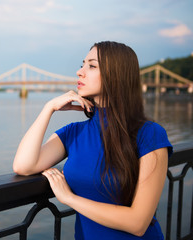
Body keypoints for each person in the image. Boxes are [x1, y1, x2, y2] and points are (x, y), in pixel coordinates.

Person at [13, 41, 172, 239]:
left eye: (92, 65)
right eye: (82, 64)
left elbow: (138, 223)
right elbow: (23, 166)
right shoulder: (74, 133)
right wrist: (49, 108)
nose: (80, 72)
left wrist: (69, 198)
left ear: (116, 75)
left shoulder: (150, 134)